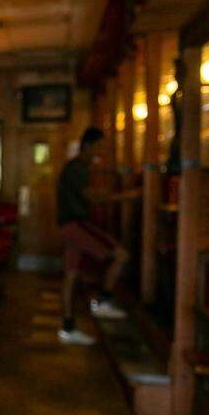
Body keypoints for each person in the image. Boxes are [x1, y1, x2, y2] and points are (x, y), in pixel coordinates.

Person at [56, 127, 129, 345]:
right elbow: (94, 198)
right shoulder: (78, 168)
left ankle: (68, 328)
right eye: (100, 146)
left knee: (71, 276)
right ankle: (102, 302)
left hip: (67, 226)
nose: (102, 151)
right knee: (120, 255)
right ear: (88, 145)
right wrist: (127, 196)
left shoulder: (77, 167)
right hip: (76, 224)